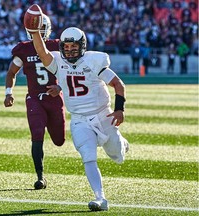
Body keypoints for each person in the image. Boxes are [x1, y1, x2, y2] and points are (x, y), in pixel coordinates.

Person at [25, 6, 129, 211]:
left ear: (82, 46)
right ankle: (100, 198)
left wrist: (119, 109)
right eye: (67, 47)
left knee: (117, 156)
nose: (70, 51)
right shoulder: (58, 62)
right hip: (80, 119)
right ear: (62, 47)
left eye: (74, 47)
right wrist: (36, 33)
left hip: (103, 114)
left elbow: (118, 84)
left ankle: (122, 144)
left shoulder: (94, 60)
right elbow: (41, 52)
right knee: (88, 157)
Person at [4, 14, 65, 190]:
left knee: (59, 140)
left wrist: (60, 88)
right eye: (36, 28)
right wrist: (9, 93)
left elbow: (70, 70)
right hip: (34, 99)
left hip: (54, 99)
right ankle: (40, 177)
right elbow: (11, 73)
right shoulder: (23, 49)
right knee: (37, 134)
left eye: (41, 28)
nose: (39, 31)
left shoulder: (56, 46)